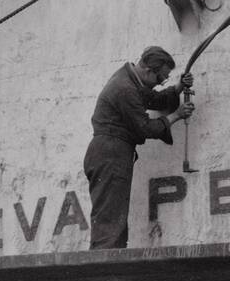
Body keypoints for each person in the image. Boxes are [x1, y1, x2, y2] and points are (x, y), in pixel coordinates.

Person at [83, 47, 194, 249]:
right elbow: (145, 128)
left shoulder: (129, 79)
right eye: (161, 78)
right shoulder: (125, 88)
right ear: (149, 70)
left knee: (113, 215)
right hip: (111, 152)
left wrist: (178, 87)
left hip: (110, 151)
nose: (161, 83)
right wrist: (177, 115)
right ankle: (104, 271)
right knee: (110, 218)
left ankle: (110, 264)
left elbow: (152, 99)